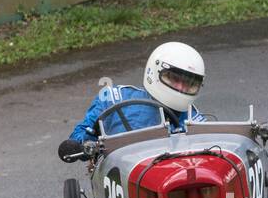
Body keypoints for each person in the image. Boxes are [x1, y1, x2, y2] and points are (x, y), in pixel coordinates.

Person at [58, 41, 206, 160]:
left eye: (189, 83)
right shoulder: (114, 98)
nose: (180, 87)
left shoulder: (192, 118)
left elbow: (213, 147)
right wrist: (84, 145)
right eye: (174, 78)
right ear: (154, 72)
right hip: (120, 177)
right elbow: (79, 135)